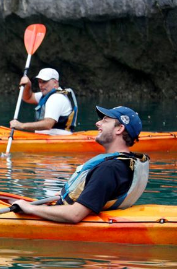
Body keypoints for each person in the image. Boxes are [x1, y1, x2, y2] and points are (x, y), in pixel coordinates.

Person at [12, 106, 150, 223]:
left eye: (105, 121)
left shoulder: (110, 169)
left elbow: (75, 215)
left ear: (119, 129)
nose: (98, 123)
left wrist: (30, 208)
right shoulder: (126, 163)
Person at [9, 68, 78, 135]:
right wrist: (28, 85)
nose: (41, 85)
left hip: (57, 138)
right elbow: (28, 98)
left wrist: (22, 125)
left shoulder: (56, 98)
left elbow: (48, 124)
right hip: (47, 136)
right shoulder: (46, 95)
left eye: (44, 81)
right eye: (39, 81)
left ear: (55, 83)